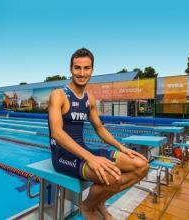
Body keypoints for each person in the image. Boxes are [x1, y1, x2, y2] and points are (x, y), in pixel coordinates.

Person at [48, 48, 149, 219]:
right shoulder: (58, 95)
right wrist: (91, 158)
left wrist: (121, 147)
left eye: (86, 68)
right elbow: (57, 133)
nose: (81, 73)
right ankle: (87, 207)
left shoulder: (89, 98)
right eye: (77, 68)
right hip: (63, 157)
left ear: (92, 70)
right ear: (70, 69)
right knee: (113, 178)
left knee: (141, 165)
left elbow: (99, 128)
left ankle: (96, 201)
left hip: (84, 151)